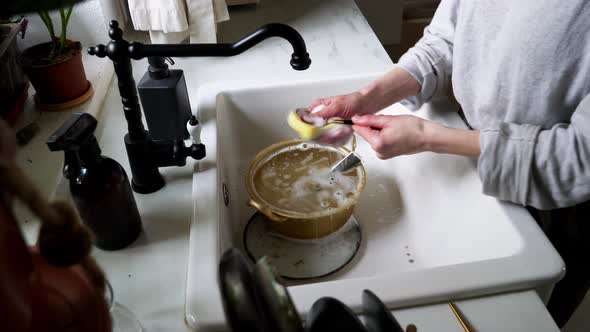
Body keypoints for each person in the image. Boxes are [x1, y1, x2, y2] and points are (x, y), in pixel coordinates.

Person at [310, 0, 590, 327]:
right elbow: (446, 40)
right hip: (472, 153)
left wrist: (430, 137)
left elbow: (578, 158)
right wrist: (365, 99)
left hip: (560, 208)